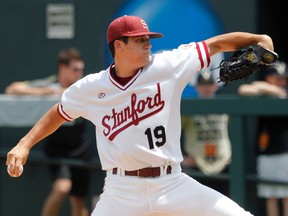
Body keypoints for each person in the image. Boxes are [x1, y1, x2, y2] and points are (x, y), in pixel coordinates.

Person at [6, 15, 276, 216]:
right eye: (140, 40)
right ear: (118, 46)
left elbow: (216, 44)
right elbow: (59, 113)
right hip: (121, 190)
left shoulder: (168, 65)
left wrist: (260, 40)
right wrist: (24, 144)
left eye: (148, 39)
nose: (148, 44)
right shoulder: (91, 87)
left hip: (172, 183)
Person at [5, 48, 94, 216]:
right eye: (75, 69)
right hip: (57, 150)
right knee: (62, 187)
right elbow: (13, 88)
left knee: (79, 200)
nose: (79, 73)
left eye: (81, 69)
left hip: (81, 149)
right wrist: (47, 92)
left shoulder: (83, 87)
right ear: (63, 68)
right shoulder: (49, 84)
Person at [238, 61, 288, 216]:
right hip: (265, 152)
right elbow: (243, 89)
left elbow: (283, 94)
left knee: (286, 196)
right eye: (276, 78)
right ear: (268, 78)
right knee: (270, 196)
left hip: (284, 151)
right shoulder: (264, 92)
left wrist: (278, 91)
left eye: (282, 79)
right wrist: (272, 89)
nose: (280, 82)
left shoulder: (285, 92)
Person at [181, 69, 231, 196]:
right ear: (197, 87)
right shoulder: (189, 109)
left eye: (209, 84)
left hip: (223, 164)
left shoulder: (224, 106)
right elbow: (173, 134)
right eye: (203, 85)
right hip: (198, 165)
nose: (206, 88)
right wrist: (182, 159)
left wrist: (232, 155)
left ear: (215, 86)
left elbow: (235, 131)